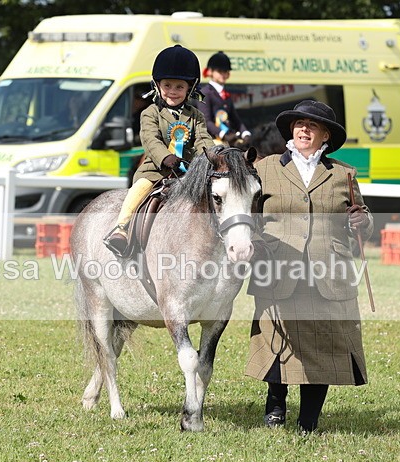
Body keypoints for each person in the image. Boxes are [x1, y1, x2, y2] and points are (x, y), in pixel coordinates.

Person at [245, 99, 374, 432]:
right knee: (277, 342)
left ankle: (309, 420)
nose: (304, 129)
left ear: (325, 135)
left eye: (312, 125)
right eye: (299, 124)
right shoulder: (265, 168)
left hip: (327, 272)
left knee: (323, 346)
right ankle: (276, 405)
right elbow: (249, 216)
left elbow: (361, 219)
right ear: (291, 130)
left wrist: (362, 222)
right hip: (277, 266)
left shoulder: (344, 174)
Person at [103, 45, 213, 257]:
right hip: (156, 171)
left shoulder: (196, 116)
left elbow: (202, 139)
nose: (172, 91)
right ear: (157, 85)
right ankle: (121, 229)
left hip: (189, 172)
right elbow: (150, 139)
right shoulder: (150, 113)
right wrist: (166, 157)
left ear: (189, 89)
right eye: (167, 85)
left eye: (179, 87)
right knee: (138, 190)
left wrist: (211, 157)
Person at [197, 51, 251, 147]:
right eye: (219, 71)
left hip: (229, 139)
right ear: (210, 71)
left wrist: (245, 133)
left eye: (225, 71)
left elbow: (235, 119)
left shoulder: (226, 95)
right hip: (212, 140)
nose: (223, 74)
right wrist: (222, 134)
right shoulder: (205, 93)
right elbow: (206, 121)